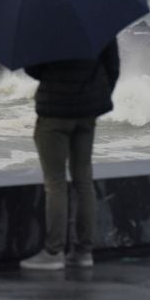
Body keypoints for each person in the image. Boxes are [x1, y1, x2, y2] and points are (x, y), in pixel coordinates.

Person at [19, 38, 120, 270]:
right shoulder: (99, 21)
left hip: (54, 111)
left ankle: (54, 252)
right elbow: (112, 66)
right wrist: (97, 95)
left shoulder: (47, 24)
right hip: (86, 113)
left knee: (55, 183)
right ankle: (84, 252)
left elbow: (33, 68)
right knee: (83, 180)